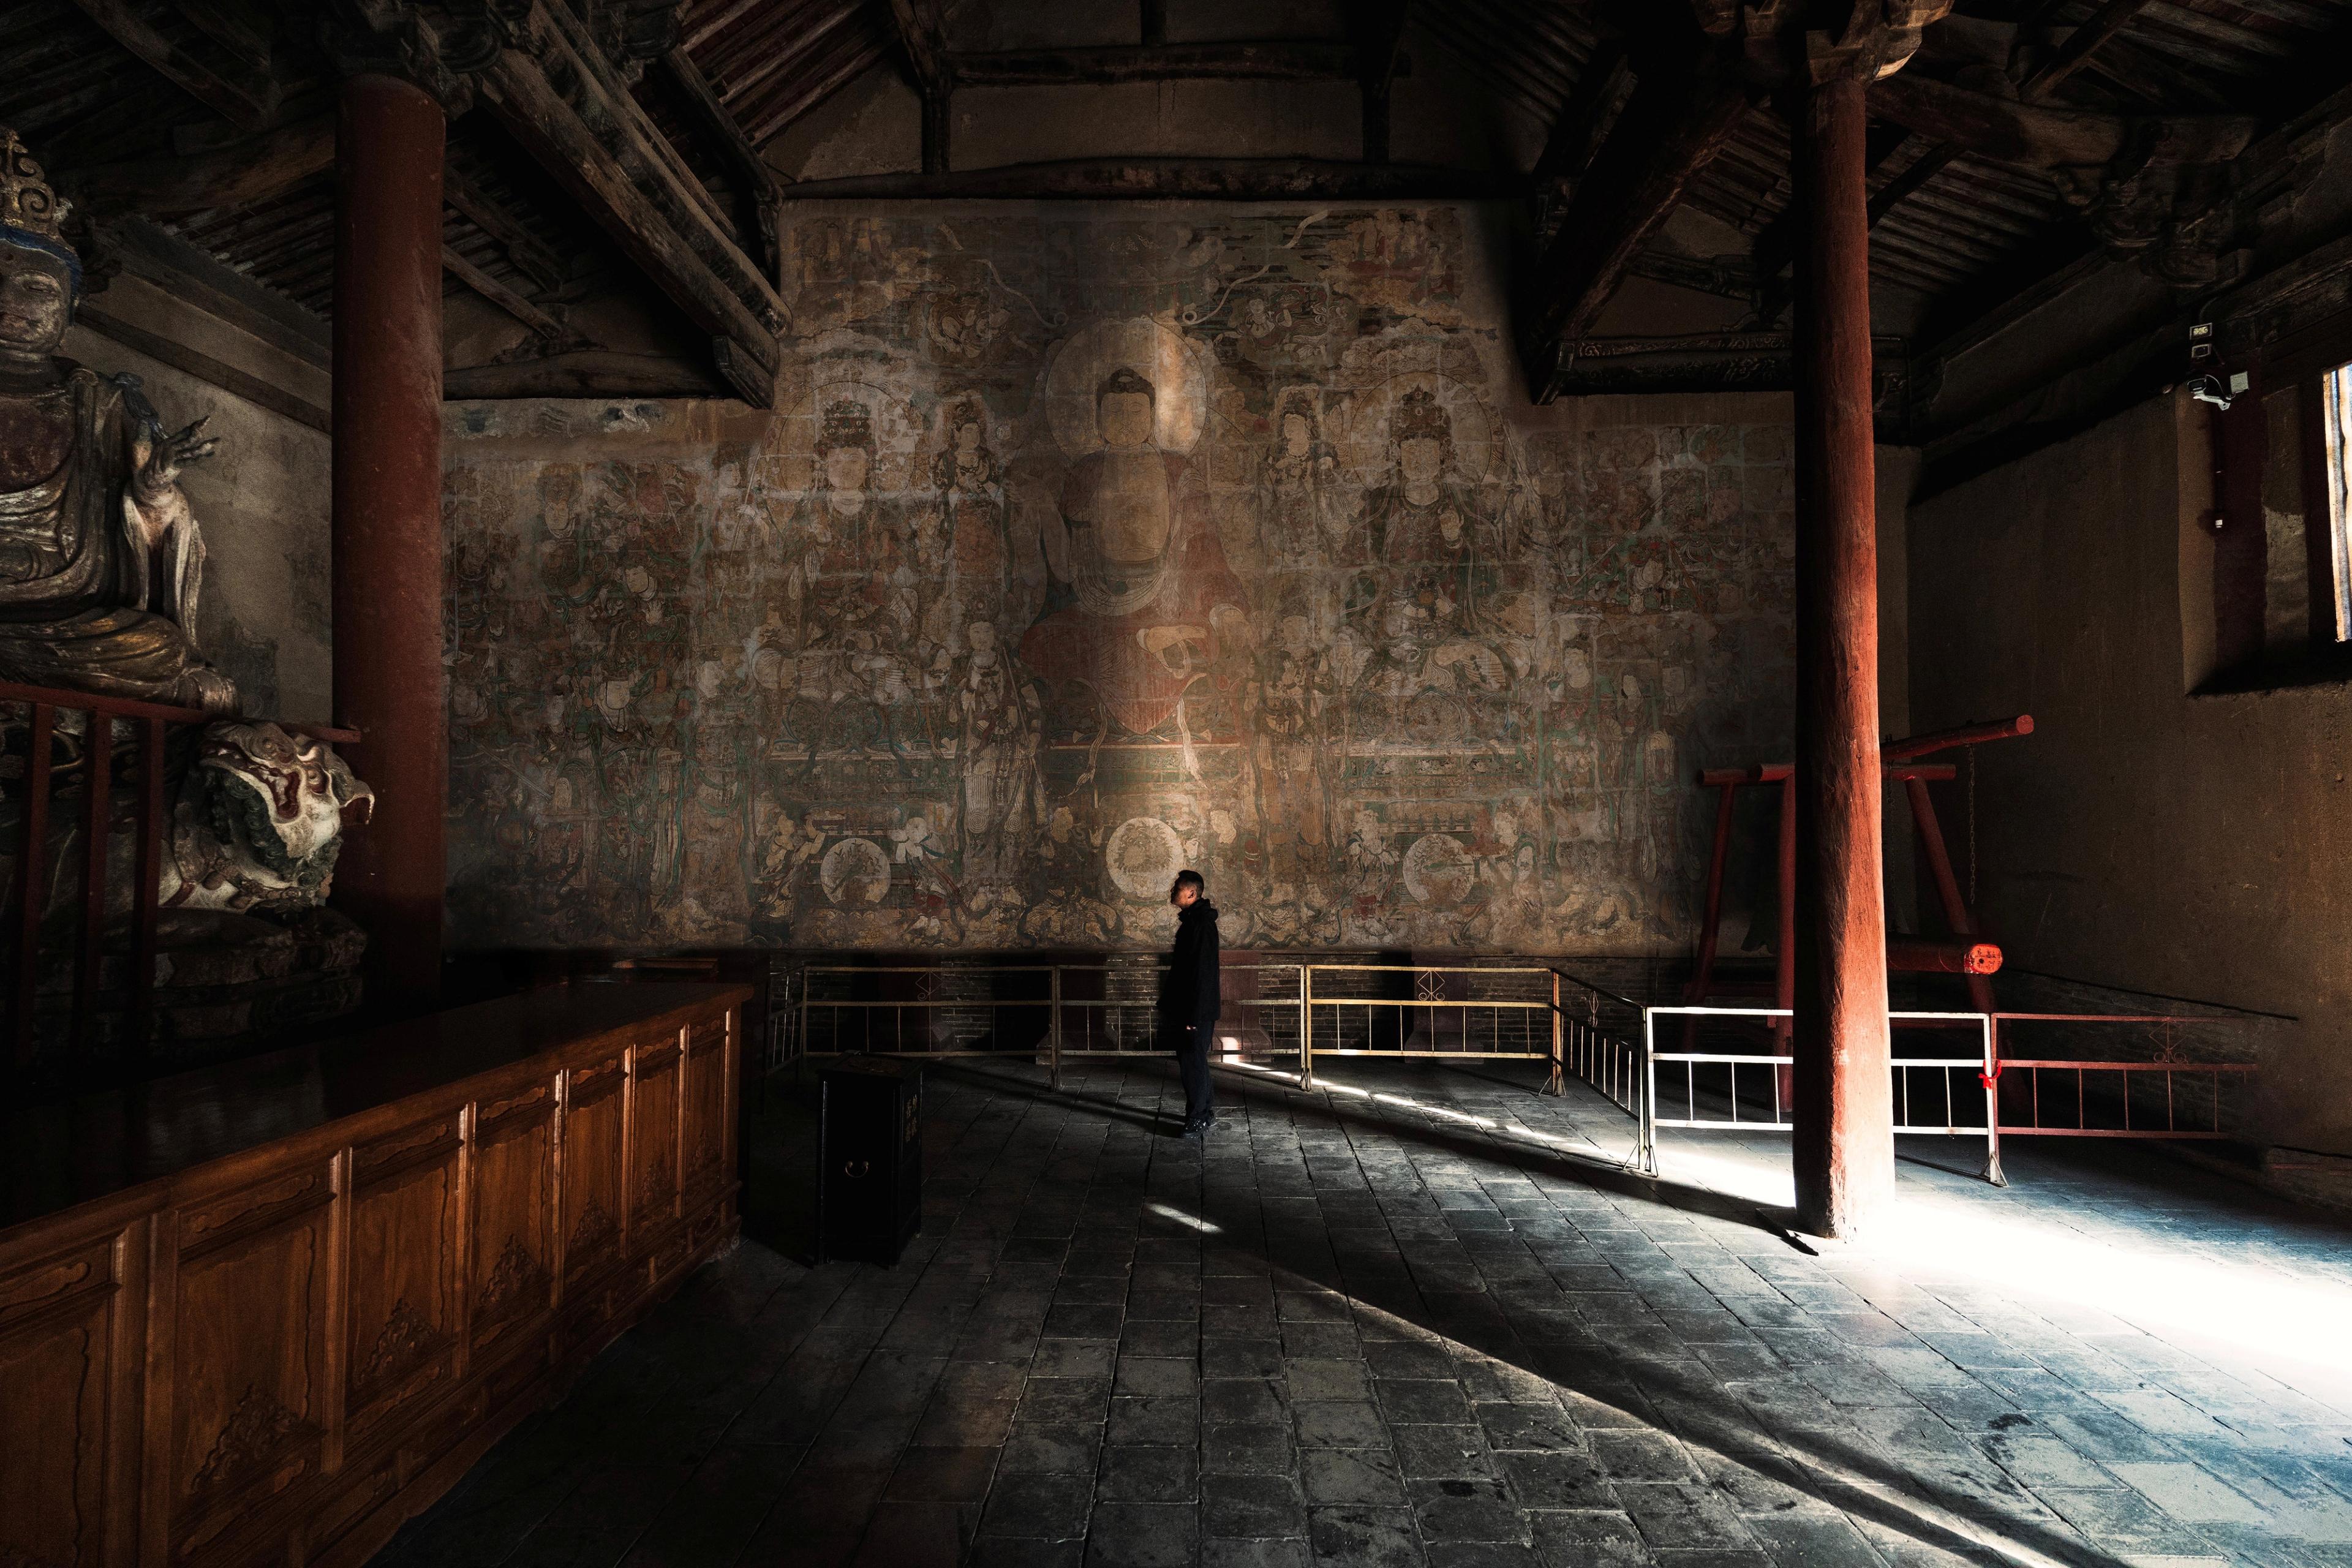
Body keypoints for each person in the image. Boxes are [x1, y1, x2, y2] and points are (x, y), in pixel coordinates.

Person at [1162, 868, 1221, 1137]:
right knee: (1195, 1060)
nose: (1173, 890)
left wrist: (1193, 1018)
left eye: (1177, 887)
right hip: (1191, 1009)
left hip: (1194, 1011)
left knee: (1192, 1063)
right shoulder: (1194, 922)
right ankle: (1204, 1112)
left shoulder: (1201, 925)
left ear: (1191, 893)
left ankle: (1198, 1117)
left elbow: (1202, 974)